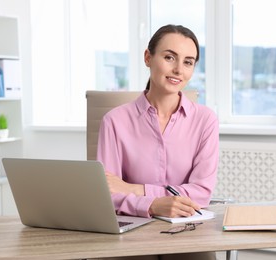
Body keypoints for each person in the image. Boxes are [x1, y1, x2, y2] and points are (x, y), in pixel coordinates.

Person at [97, 24, 219, 260]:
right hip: (131, 228)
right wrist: (151, 206)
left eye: (188, 62)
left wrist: (135, 190)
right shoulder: (114, 121)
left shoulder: (206, 120)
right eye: (169, 57)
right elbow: (106, 192)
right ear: (148, 57)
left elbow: (201, 192)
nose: (178, 70)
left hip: (186, 228)